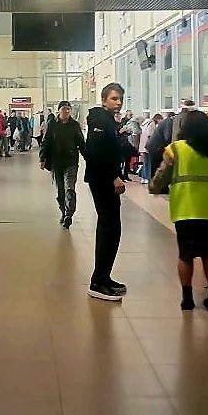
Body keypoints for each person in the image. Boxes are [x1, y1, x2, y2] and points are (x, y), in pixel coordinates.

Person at [149, 110, 208, 311]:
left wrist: (153, 187)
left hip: (184, 209)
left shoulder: (176, 149)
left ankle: (187, 299)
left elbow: (162, 175)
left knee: (185, 254)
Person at [84, 83, 128, 301]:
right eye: (113, 98)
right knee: (109, 228)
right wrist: (114, 176)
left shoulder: (108, 121)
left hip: (104, 178)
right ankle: (98, 282)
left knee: (111, 228)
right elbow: (97, 152)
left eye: (120, 99)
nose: (118, 102)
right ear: (103, 100)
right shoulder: (100, 121)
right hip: (102, 180)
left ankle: (104, 276)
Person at [39, 99, 87, 229]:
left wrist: (88, 158)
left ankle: (69, 215)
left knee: (69, 188)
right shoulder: (52, 124)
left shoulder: (74, 125)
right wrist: (42, 159)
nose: (66, 111)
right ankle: (63, 212)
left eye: (68, 109)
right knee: (60, 192)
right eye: (63, 109)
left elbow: (81, 143)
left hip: (71, 162)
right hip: (56, 163)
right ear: (58, 111)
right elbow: (45, 141)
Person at [146, 111, 176, 176]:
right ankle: (154, 181)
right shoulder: (169, 122)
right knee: (156, 167)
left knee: (155, 167)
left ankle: (154, 180)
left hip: (154, 146)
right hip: (156, 147)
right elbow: (167, 137)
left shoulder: (166, 121)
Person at [139, 113, 163, 184]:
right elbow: (151, 135)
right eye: (160, 120)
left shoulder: (146, 123)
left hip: (143, 145)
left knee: (145, 162)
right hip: (148, 146)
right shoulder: (152, 124)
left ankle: (143, 177)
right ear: (158, 119)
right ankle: (147, 177)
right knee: (149, 163)